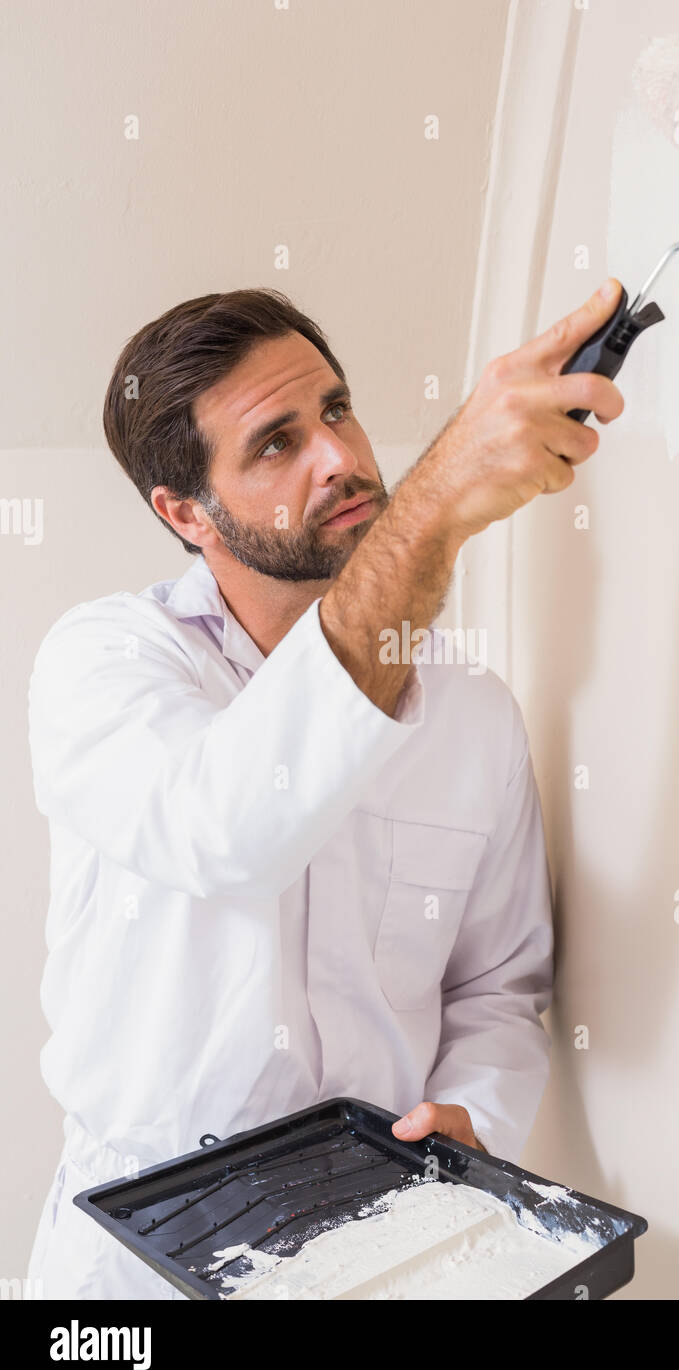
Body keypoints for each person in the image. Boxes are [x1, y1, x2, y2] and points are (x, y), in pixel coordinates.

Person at [26, 278, 625, 1298]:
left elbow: (496, 984)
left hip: (381, 1241)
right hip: (136, 1262)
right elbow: (225, 826)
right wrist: (437, 504)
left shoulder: (473, 714)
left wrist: (473, 1109)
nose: (341, 458)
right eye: (275, 443)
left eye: (336, 409)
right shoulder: (103, 664)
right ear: (183, 510)